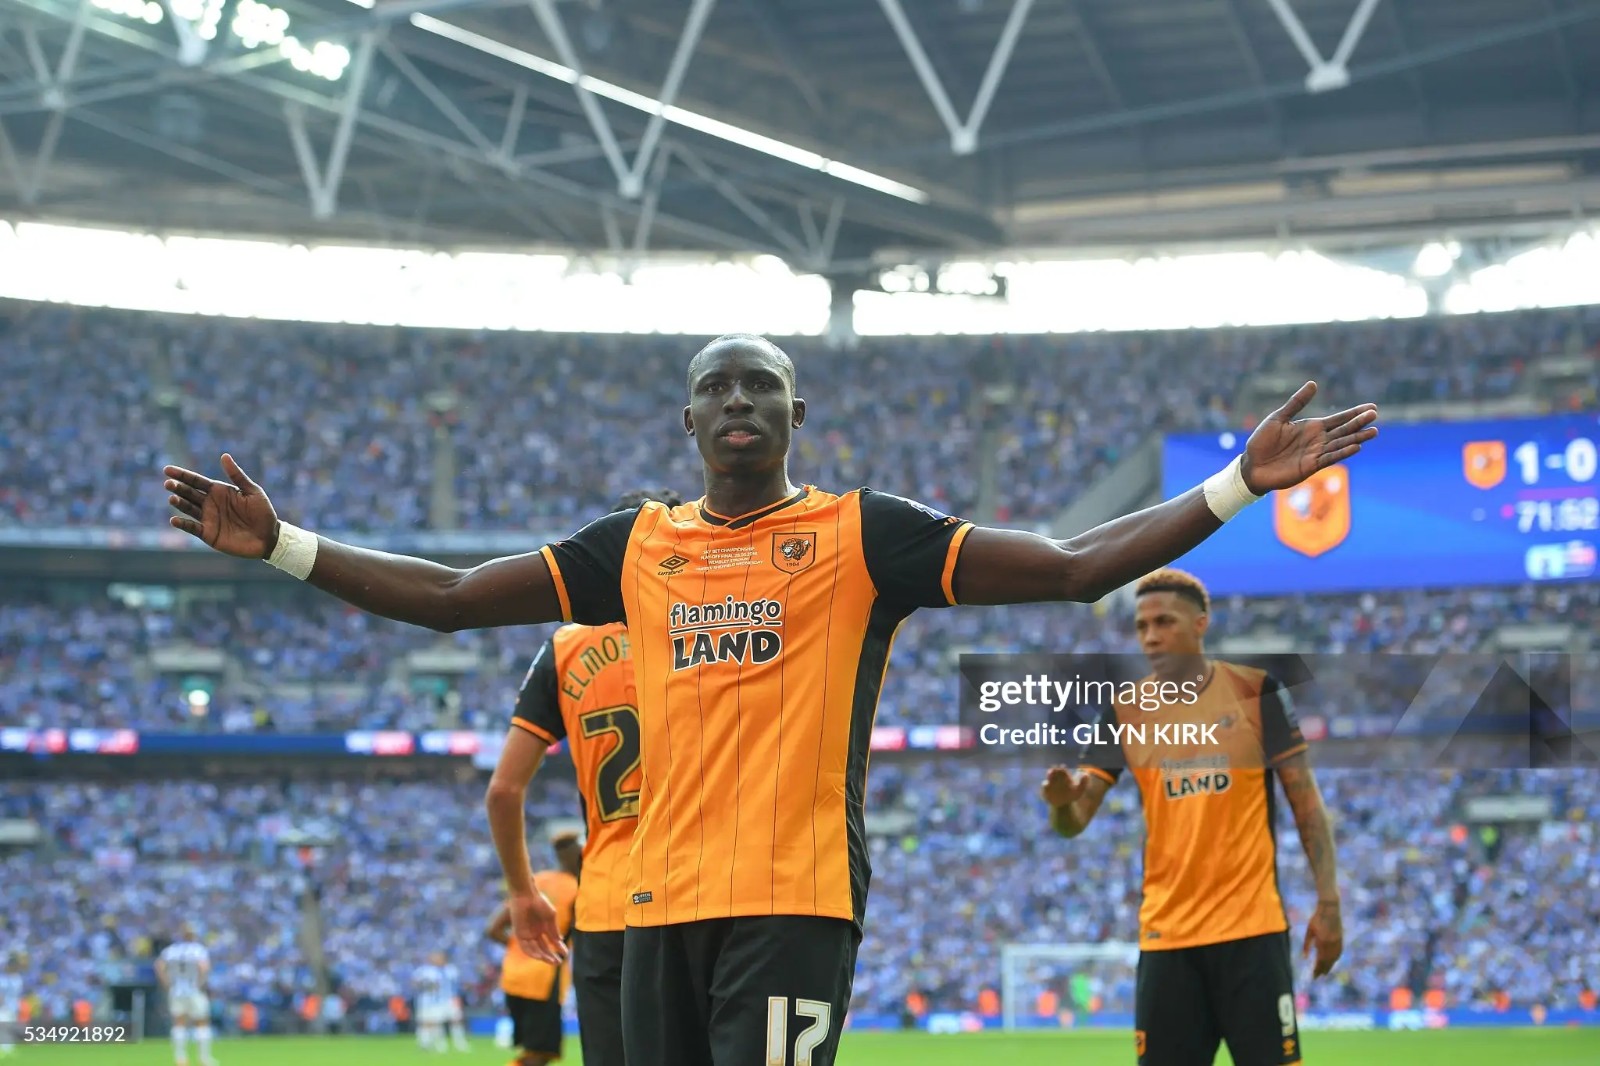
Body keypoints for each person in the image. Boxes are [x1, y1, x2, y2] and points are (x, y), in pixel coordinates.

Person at [161, 333, 1378, 1066]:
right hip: (647, 911)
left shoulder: (864, 536)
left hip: (795, 896)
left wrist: (1234, 485)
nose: (739, 403)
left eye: (763, 389)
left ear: (797, 415)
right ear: (687, 419)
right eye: (717, 389)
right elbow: (448, 595)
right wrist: (283, 547)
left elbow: (1069, 570)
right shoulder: (626, 547)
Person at [1039, 568, 1344, 1066]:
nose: (1152, 636)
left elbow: (1307, 804)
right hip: (1167, 938)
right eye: (1142, 627)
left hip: (1253, 932)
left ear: (1201, 623)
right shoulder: (1125, 711)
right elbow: (1075, 821)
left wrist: (1328, 903)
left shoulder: (1256, 693)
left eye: (1165, 622)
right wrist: (1060, 805)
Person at [487, 488, 683, 1066]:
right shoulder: (712, 629)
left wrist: (522, 893)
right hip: (697, 894)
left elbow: (502, 790)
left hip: (606, 906)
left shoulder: (565, 647)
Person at [487, 836, 582, 1066]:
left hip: (513, 978)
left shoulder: (535, 881)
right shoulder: (576, 888)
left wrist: (523, 947)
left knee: (533, 1050)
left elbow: (493, 929)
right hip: (544, 979)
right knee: (539, 1053)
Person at [156, 925, 218, 1066]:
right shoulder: (198, 950)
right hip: (193, 989)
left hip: (176, 990)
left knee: (179, 1023)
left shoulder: (171, 950)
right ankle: (204, 1058)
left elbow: (159, 965)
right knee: (201, 1022)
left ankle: (180, 1058)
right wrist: (200, 983)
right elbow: (204, 968)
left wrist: (166, 982)